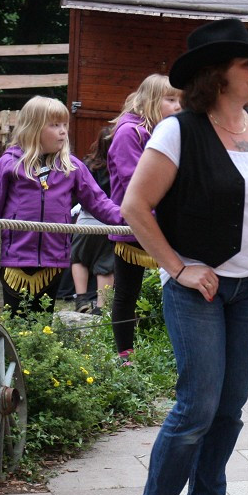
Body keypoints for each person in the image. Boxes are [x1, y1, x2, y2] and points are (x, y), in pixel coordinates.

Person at [125, 18, 248, 495]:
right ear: (216, 74)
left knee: (229, 408)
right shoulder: (179, 131)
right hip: (199, 287)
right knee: (197, 406)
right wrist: (177, 269)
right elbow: (134, 207)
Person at [0, 96, 122, 315]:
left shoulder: (72, 167)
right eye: (54, 125)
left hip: (54, 262)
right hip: (16, 261)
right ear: (33, 128)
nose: (63, 131)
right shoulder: (7, 165)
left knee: (43, 325)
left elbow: (100, 204)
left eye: (64, 124)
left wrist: (134, 219)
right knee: (18, 323)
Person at [106, 73, 182, 358]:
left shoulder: (168, 131)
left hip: (167, 225)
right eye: (170, 99)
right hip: (135, 226)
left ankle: (176, 349)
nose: (177, 106)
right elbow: (133, 182)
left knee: (177, 289)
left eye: (180, 101)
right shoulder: (129, 132)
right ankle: (125, 354)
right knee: (127, 293)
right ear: (151, 100)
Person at [70, 127, 116, 314]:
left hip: (86, 221)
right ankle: (101, 306)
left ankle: (81, 299)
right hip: (110, 222)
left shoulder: (86, 163)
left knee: (79, 258)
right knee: (105, 265)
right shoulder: (119, 167)